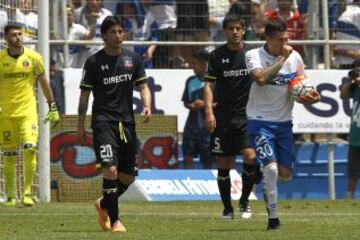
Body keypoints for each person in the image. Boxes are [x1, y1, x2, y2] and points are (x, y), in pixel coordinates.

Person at [77, 16, 151, 233]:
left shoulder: (133, 59)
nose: (118, 36)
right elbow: (84, 96)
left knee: (127, 177)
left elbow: (143, 86)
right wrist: (80, 125)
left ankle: (103, 204)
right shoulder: (93, 62)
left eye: (121, 31)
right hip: (103, 122)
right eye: (113, 32)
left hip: (127, 123)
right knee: (110, 169)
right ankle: (115, 221)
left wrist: (147, 105)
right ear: (104, 35)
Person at [245, 18, 321, 230]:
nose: (286, 42)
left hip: (284, 123)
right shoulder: (253, 55)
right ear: (268, 38)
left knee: (285, 174)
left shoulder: (295, 57)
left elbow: (300, 88)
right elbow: (260, 79)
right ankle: (273, 219)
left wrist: (311, 98)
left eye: (287, 37)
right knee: (271, 170)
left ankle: (263, 171)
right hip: (259, 121)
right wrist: (281, 59)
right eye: (281, 39)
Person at [204, 14, 258, 220]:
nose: (235, 32)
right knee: (224, 162)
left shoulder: (253, 55)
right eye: (231, 28)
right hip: (224, 117)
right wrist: (209, 111)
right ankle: (227, 208)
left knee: (250, 156)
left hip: (248, 115)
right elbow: (208, 85)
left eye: (238, 28)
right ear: (225, 31)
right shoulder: (216, 56)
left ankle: (244, 201)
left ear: (244, 30)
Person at [0, 23, 60, 207]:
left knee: (29, 148)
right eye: (14, 35)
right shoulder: (1, 59)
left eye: (20, 34)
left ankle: (26, 193)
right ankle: (10, 195)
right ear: (6, 38)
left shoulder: (34, 57)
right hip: (6, 115)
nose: (18, 37)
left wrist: (53, 107)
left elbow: (44, 82)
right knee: (9, 154)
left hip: (28, 113)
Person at [182, 49, 213, 169]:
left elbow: (222, 104)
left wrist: (205, 105)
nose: (192, 67)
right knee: (187, 158)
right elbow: (186, 102)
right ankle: (186, 183)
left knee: (207, 162)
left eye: (194, 64)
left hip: (208, 130)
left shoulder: (216, 81)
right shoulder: (190, 81)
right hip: (191, 128)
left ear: (204, 64)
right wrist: (192, 106)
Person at [340, 60, 360, 199]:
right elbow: (343, 95)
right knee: (352, 171)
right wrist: (352, 81)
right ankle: (349, 195)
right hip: (355, 136)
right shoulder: (356, 87)